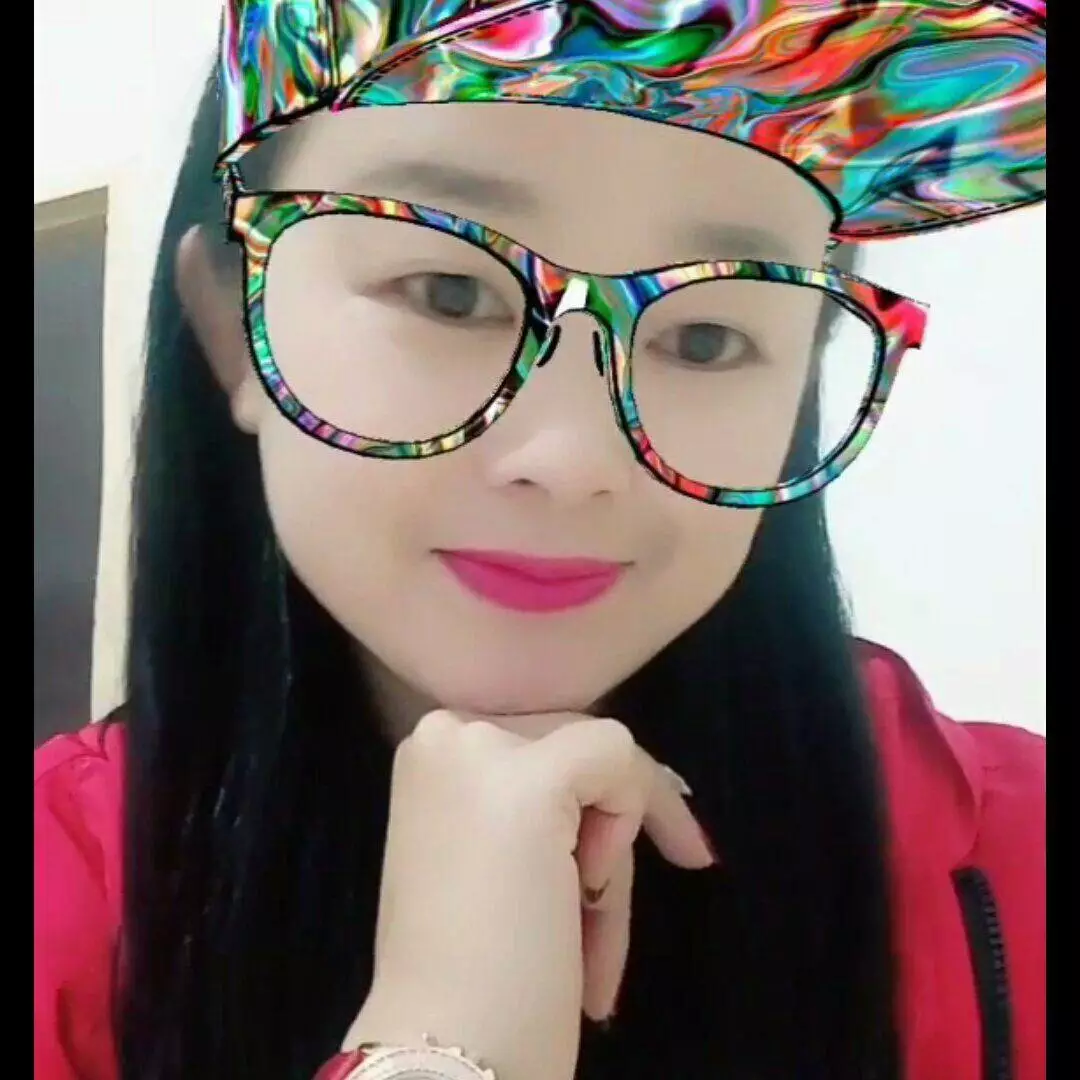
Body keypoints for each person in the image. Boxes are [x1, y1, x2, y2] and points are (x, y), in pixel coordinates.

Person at [33, 2, 1047, 1079]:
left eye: (709, 336)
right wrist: (442, 1048)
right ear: (236, 330)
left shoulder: (1016, 852)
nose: (572, 457)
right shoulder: (63, 893)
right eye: (449, 291)